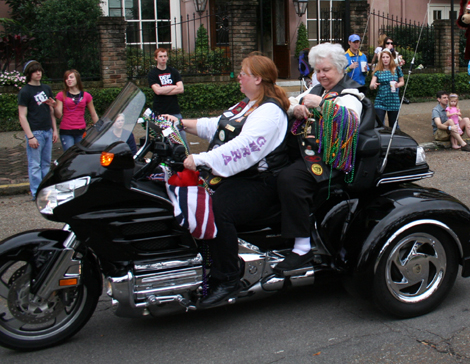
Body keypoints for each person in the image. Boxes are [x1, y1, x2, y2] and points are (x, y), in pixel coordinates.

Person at [163, 53, 290, 308]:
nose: (239, 78)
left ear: (258, 78)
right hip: (238, 174)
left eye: (243, 73)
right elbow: (219, 126)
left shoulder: (268, 112)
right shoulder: (248, 104)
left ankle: (228, 277)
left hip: (260, 181)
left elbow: (244, 148)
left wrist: (199, 159)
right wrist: (181, 123)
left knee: (217, 210)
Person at [277, 43, 365, 274]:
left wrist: (324, 106)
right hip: (306, 151)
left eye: (326, 70)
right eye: (318, 70)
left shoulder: (351, 93)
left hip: (329, 160)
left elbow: (350, 120)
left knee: (290, 179)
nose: (321, 75)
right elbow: (293, 101)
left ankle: (302, 247)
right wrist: (295, 108)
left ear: (339, 68)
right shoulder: (316, 89)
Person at [18, 61, 58, 199]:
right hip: (36, 132)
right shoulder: (25, 91)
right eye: (35, 71)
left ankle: (45, 190)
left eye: (39, 70)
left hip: (47, 130)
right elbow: (22, 116)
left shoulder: (46, 89)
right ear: (29, 74)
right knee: (35, 165)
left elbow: (51, 111)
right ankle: (36, 192)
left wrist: (55, 130)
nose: (38, 73)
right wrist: (30, 136)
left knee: (46, 163)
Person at [55, 69, 99, 151]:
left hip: (80, 130)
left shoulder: (86, 96)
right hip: (66, 130)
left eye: (71, 77)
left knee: (80, 154)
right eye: (66, 78)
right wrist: (54, 106)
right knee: (69, 155)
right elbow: (58, 115)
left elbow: (93, 114)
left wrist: (99, 129)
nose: (68, 80)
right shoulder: (61, 95)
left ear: (77, 79)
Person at [148, 48, 185, 139]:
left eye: (165, 56)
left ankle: (185, 153)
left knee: (181, 136)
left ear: (167, 58)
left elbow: (181, 89)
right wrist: (173, 86)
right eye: (160, 56)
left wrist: (163, 89)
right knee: (163, 138)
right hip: (160, 112)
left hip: (174, 111)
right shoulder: (153, 74)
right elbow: (158, 91)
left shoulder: (173, 72)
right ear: (156, 58)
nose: (163, 58)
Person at [370, 49, 404, 129]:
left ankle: (394, 140)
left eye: (387, 57)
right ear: (381, 59)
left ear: (390, 58)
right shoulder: (378, 70)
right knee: (379, 125)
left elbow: (402, 81)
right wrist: (373, 85)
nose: (385, 59)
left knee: (393, 126)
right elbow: (371, 85)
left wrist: (397, 85)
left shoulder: (397, 69)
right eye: (383, 57)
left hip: (393, 100)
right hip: (380, 100)